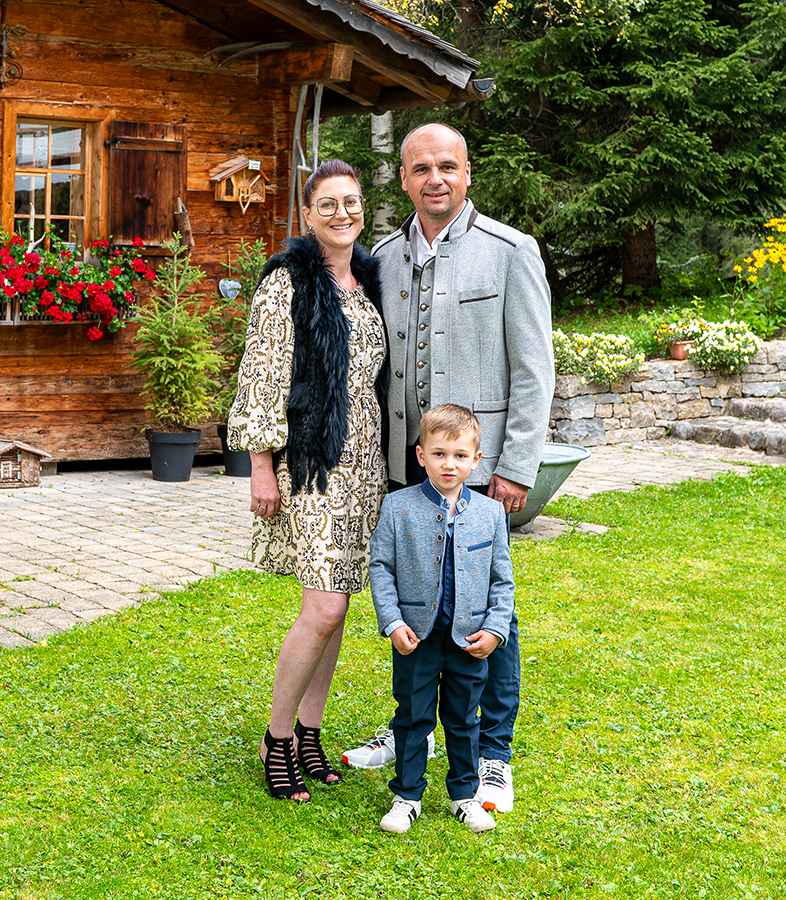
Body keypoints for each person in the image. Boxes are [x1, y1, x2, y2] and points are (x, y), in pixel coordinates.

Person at [342, 122, 554, 814]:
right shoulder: (382, 259)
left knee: (494, 612)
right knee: (415, 599)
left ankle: (493, 753)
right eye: (421, 168)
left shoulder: (509, 251)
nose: (435, 178)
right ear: (402, 178)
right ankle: (416, 729)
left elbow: (534, 371)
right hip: (410, 469)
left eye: (448, 167)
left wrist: (515, 464)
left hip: (482, 467)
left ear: (468, 174)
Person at [227, 159, 388, 802]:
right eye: (328, 204)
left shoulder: (373, 278)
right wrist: (261, 466)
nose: (342, 214)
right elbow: (262, 374)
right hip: (311, 463)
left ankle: (310, 733)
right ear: (309, 212)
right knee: (321, 606)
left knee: (339, 604)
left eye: (351, 202)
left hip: (366, 464)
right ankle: (276, 736)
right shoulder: (287, 282)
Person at [371, 405, 513, 834]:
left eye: (459, 455)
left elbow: (502, 580)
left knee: (464, 719)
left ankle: (465, 796)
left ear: (476, 459)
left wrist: (494, 629)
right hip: (416, 637)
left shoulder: (490, 513)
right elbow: (381, 568)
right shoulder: (397, 507)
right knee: (413, 717)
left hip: (470, 640)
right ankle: (407, 795)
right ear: (420, 456)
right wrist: (393, 623)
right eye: (438, 454)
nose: (448, 464)